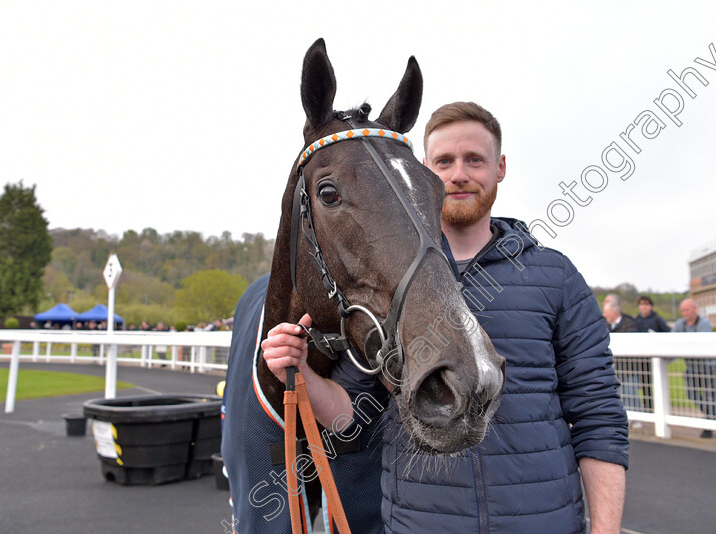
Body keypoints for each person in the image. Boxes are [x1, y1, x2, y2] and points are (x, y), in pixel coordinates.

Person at [264, 101, 628, 533]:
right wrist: (300, 368)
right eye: (445, 161)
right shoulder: (389, 282)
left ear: (500, 168)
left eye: (475, 159)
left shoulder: (556, 276)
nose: (459, 174)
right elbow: (350, 417)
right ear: (422, 170)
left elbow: (598, 416)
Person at [672, 298, 716, 438]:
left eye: (687, 310)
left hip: (708, 366)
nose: (685, 313)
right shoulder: (680, 324)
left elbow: (700, 345)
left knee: (708, 395)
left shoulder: (704, 324)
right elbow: (672, 340)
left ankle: (709, 425)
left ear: (695, 309)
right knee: (691, 392)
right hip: (692, 366)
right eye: (683, 310)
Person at [603, 300, 642, 415]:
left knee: (631, 392)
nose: (604, 315)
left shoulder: (629, 322)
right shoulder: (606, 325)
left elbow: (630, 341)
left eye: (606, 312)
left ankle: (637, 417)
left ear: (614, 312)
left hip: (630, 367)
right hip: (616, 366)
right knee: (619, 393)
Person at [633, 295, 668, 413]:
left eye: (646, 304)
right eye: (642, 304)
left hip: (656, 358)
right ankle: (648, 408)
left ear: (650, 306)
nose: (644, 307)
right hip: (642, 358)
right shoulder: (636, 320)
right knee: (644, 384)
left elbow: (667, 333)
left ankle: (660, 408)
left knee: (658, 383)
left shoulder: (657, 319)